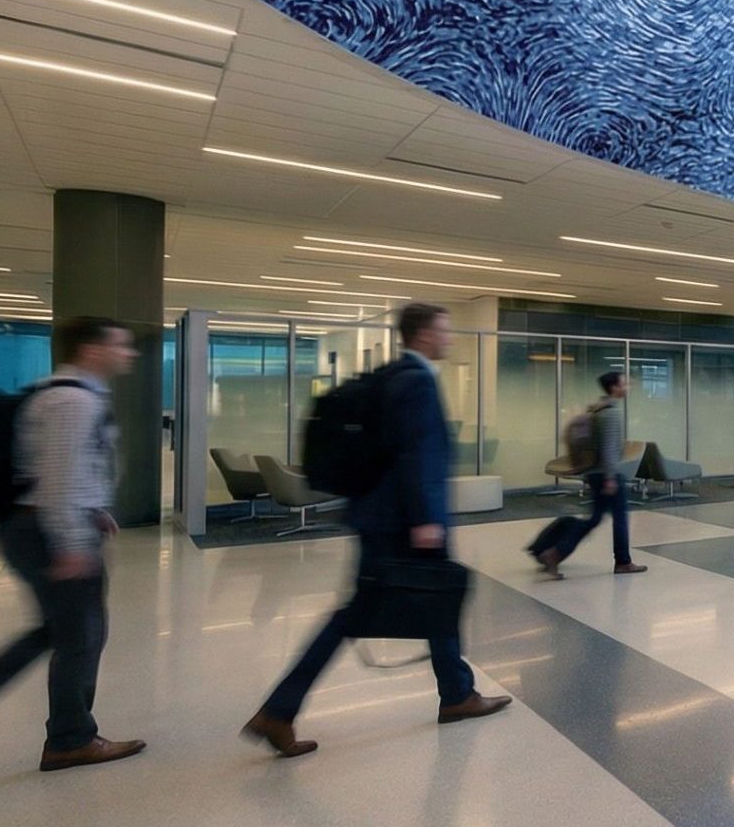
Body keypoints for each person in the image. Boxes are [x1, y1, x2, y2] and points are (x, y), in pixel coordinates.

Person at [243, 303, 511, 758]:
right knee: (362, 613)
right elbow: (415, 455)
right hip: (401, 521)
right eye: (443, 331)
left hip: (380, 514)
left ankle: (457, 693)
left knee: (435, 600)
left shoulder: (393, 376)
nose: (449, 338)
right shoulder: (417, 382)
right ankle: (279, 710)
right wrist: (426, 518)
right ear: (423, 335)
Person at [0, 317, 146, 772]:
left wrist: (94, 509)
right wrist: (71, 543)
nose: (129, 354)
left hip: (40, 525)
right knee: (80, 637)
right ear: (92, 350)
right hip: (46, 530)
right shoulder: (73, 401)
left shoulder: (59, 394)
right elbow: (57, 480)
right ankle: (70, 739)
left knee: (61, 632)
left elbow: (61, 471)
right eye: (122, 345)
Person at [534, 370, 646, 579]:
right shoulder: (611, 413)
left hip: (594, 473)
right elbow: (609, 449)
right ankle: (623, 562)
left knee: (594, 519)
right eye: (624, 384)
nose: (627, 387)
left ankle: (555, 553)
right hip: (607, 474)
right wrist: (611, 477)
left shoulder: (597, 410)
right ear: (614, 387)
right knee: (619, 518)